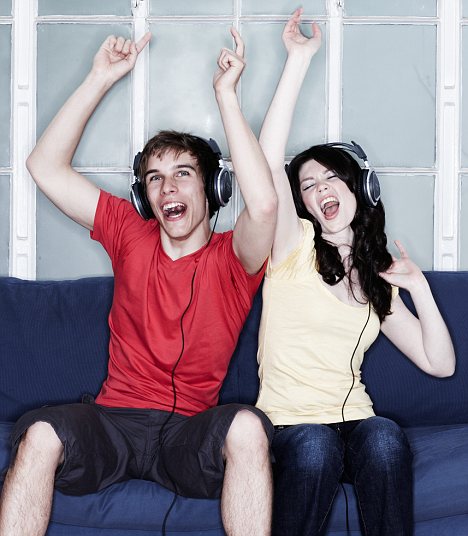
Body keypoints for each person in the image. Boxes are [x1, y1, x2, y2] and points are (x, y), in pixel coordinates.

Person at [0, 28, 277, 536]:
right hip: (114, 421)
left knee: (247, 427)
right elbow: (44, 166)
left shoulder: (235, 259)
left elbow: (263, 206)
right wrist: (99, 77)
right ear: (144, 197)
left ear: (214, 189)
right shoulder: (130, 232)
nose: (168, 187)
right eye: (154, 178)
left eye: (183, 173)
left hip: (189, 431)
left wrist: (227, 96)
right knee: (39, 434)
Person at [256, 8, 456, 536]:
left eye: (331, 178)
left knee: (385, 436)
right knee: (316, 447)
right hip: (292, 429)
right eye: (308, 185)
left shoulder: (374, 277)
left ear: (358, 189)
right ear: (302, 204)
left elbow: (440, 364)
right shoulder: (293, 247)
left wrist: (418, 287)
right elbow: (267, 158)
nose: (321, 189)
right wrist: (298, 59)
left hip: (356, 424)